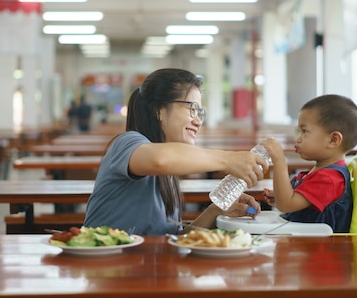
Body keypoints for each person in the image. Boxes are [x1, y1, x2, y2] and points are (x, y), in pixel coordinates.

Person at [83, 68, 266, 235]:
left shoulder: (169, 170)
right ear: (159, 111)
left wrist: (216, 210)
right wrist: (228, 159)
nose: (198, 121)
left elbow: (173, 239)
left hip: (144, 266)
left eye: (200, 112)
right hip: (105, 264)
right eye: (192, 109)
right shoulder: (127, 142)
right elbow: (159, 159)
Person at [261, 94, 357, 233]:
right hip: (304, 244)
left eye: (304, 131)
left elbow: (286, 204)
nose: (298, 139)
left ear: (333, 140)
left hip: (318, 250)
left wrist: (280, 161)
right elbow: (291, 202)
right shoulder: (322, 172)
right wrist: (280, 195)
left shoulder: (329, 179)